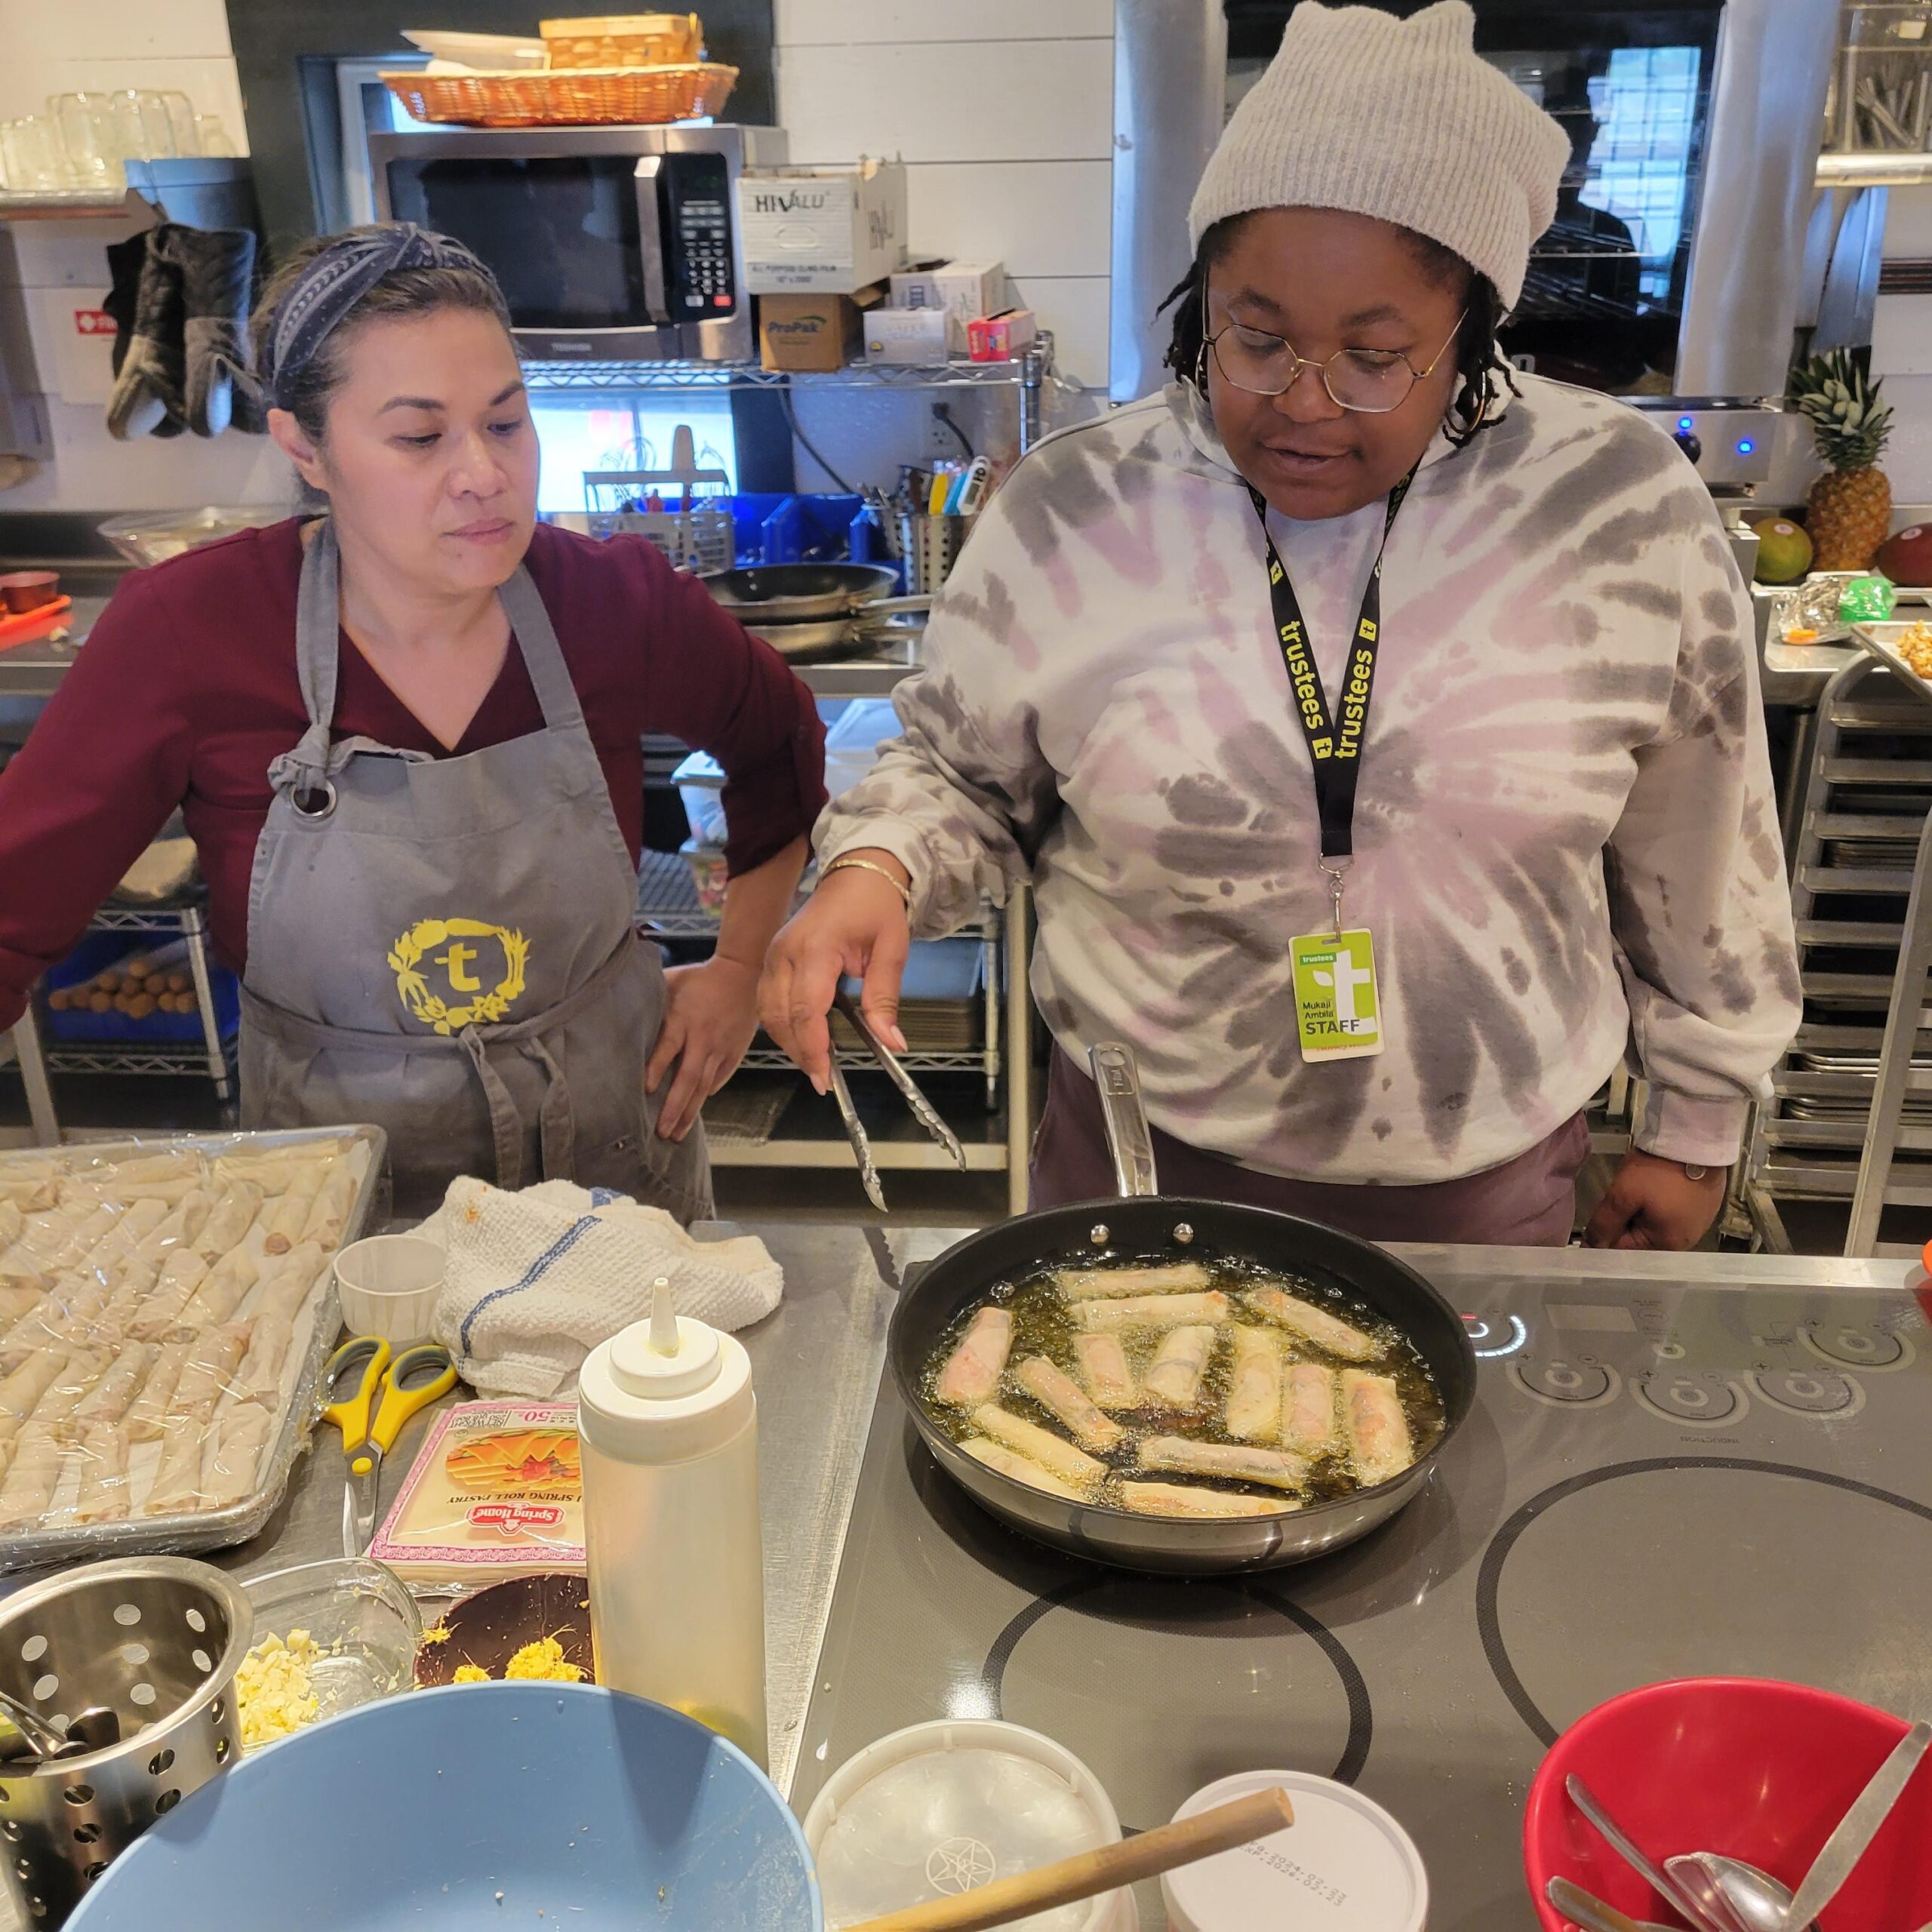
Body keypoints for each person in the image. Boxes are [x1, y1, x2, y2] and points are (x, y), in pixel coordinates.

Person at [761, 0, 1801, 1251]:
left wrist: (1699, 1122)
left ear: (1472, 330)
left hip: (1481, 1184)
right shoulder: (1081, 507)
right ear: (1203, 298)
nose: (1303, 405)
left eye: (1375, 356)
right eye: (1254, 337)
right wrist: (876, 867)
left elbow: (1706, 834)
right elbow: (958, 774)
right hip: (1139, 1169)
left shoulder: (1613, 508)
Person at [0, 224, 826, 1215]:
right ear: (304, 446)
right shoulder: (191, 632)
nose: (482, 472)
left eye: (507, 423)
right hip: (338, 1202)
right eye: (420, 436)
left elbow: (780, 746)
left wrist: (739, 968)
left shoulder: (613, 604)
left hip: (612, 1183)